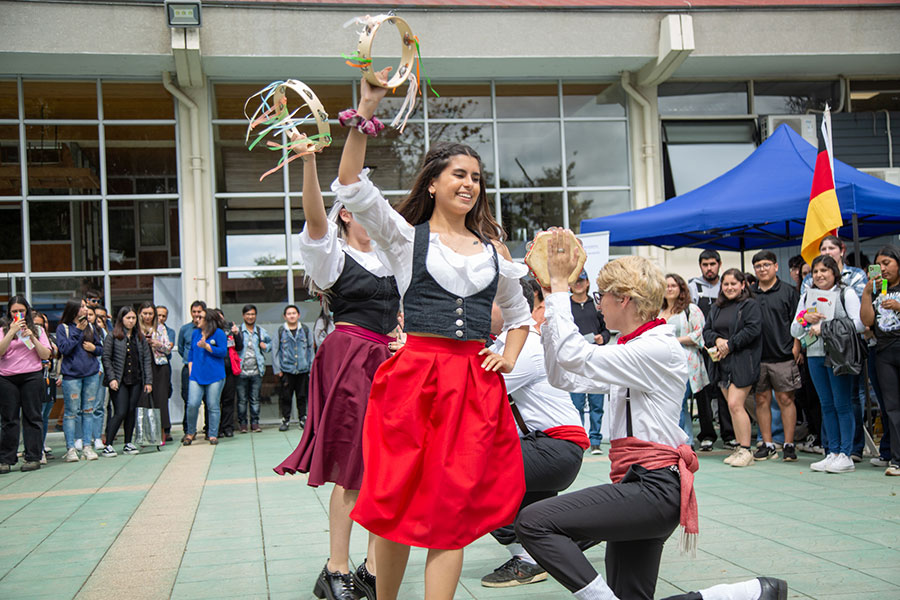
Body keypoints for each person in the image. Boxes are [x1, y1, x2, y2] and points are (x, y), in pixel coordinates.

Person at [336, 68, 532, 600]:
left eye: (475, 177)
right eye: (458, 175)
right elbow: (352, 184)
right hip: (413, 380)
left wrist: (509, 356)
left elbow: (519, 315)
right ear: (432, 183)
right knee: (394, 506)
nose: (469, 184)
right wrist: (366, 110)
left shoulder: (494, 253)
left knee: (453, 511)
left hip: (472, 385)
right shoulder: (404, 239)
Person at [515, 236, 788, 600]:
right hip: (642, 485)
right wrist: (553, 296)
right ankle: (746, 593)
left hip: (652, 487)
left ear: (624, 299)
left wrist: (559, 290)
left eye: (601, 296)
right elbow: (563, 375)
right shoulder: (632, 347)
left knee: (534, 522)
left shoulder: (655, 348)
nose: (599, 304)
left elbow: (574, 356)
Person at [273, 134, 401, 600]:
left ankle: (370, 567)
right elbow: (313, 218)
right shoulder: (332, 254)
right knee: (352, 468)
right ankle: (336, 569)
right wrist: (308, 164)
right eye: (358, 207)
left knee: (384, 470)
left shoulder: (389, 256)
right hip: (350, 358)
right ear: (346, 212)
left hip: (388, 363)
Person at [480, 279, 588, 589]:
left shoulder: (524, 346)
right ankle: (551, 547)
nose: (484, 306)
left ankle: (533, 555)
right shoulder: (503, 344)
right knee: (533, 520)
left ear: (516, 306)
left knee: (468, 477)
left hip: (554, 448)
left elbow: (477, 397)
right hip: (543, 447)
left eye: (492, 300)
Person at [791, 255, 864, 474]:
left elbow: (858, 324)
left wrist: (827, 327)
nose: (820, 275)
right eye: (816, 271)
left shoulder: (846, 293)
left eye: (825, 270)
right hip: (814, 354)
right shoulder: (807, 296)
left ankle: (846, 453)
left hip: (839, 355)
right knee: (826, 404)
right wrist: (806, 320)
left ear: (834, 272)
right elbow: (795, 330)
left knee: (842, 404)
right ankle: (831, 452)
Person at [702, 269, 762, 468]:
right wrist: (718, 340)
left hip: (743, 361)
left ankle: (746, 449)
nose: (729, 288)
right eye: (725, 284)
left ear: (743, 284)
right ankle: (739, 447)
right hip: (722, 364)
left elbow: (753, 329)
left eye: (733, 284)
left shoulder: (750, 305)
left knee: (736, 404)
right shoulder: (717, 308)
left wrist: (730, 344)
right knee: (732, 407)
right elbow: (707, 331)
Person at [750, 251, 801, 462]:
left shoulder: (789, 292)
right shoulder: (750, 294)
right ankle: (768, 444)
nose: (762, 269)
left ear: (776, 266)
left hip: (783, 356)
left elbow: (799, 321)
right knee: (761, 400)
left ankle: (788, 444)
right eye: (758, 266)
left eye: (766, 265)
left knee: (785, 399)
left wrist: (796, 347)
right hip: (758, 357)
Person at [688, 249, 736, 450]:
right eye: (705, 265)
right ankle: (707, 434)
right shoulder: (693, 286)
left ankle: (729, 434)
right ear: (700, 266)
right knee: (704, 393)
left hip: (725, 347)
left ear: (719, 264)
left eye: (712, 264)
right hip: (702, 349)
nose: (709, 268)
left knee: (725, 391)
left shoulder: (727, 285)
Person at [0, 296, 52, 473]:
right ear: (9, 313)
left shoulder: (37, 329)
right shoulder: (2, 329)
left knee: (32, 416)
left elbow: (45, 355)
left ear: (27, 311)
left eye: (21, 311)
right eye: (14, 311)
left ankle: (33, 456)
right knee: (9, 419)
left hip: (31, 375)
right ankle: (6, 459)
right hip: (7, 377)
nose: (17, 314)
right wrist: (11, 332)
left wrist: (32, 337)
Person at [861, 245, 900, 476]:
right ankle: (896, 458)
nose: (883, 268)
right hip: (884, 352)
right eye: (879, 264)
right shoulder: (877, 289)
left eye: (887, 263)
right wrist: (867, 293)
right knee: (892, 407)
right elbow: (867, 320)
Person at [659, 273, 708, 445]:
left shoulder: (691, 309)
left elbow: (700, 335)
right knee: (675, 405)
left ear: (681, 288)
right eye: (666, 285)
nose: (669, 288)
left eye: (673, 285)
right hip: (663, 365)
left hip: (685, 363)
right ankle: (686, 441)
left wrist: (674, 341)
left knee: (677, 403)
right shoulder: (658, 311)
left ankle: (678, 443)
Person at [56, 298, 104, 462]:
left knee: (88, 410)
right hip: (72, 376)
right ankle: (70, 448)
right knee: (71, 412)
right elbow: (64, 349)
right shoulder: (63, 328)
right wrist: (77, 330)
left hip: (91, 374)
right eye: (82, 307)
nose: (85, 309)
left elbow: (100, 349)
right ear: (74, 310)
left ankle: (87, 446)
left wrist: (94, 348)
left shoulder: (91, 326)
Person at [101, 306, 153, 457]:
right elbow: (106, 358)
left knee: (131, 411)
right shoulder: (113, 336)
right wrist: (111, 378)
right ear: (121, 319)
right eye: (128, 318)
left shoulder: (139, 337)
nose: (131, 321)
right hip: (119, 380)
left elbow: (146, 359)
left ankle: (128, 443)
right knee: (120, 411)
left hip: (136, 380)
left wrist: (148, 381)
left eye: (133, 318)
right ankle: (108, 444)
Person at [569, 270, 610, 455]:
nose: (578, 284)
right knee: (576, 403)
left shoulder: (596, 305)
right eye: (575, 281)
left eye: (582, 280)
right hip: (576, 360)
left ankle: (595, 441)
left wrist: (603, 337)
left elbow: (607, 329)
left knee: (596, 402)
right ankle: (581, 439)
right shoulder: (567, 306)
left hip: (595, 358)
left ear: (587, 283)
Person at [185, 308, 227, 445]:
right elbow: (191, 351)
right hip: (196, 375)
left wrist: (207, 346)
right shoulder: (195, 333)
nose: (197, 319)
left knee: (213, 405)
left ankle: (213, 434)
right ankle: (190, 432)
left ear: (208, 320)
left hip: (215, 375)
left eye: (201, 317)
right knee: (192, 404)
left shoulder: (219, 333)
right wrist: (191, 367)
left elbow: (222, 352)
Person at [273, 304, 314, 431]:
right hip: (286, 370)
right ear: (285, 316)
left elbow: (311, 349)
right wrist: (278, 369)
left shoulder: (305, 330)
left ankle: (303, 418)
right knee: (286, 397)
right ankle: (286, 420)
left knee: (302, 396)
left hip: (303, 369)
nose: (292, 316)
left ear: (298, 315)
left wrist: (311, 367)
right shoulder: (280, 331)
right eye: (289, 314)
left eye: (294, 313)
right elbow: (275, 350)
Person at [140, 301, 174, 443]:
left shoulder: (160, 328)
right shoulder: (136, 328)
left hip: (160, 366)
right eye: (145, 313)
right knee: (144, 400)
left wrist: (157, 343)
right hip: (141, 367)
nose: (148, 317)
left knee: (161, 400)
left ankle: (162, 432)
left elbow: (168, 349)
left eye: (150, 314)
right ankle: (145, 435)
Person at [236, 304, 271, 433]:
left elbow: (270, 345)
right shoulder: (238, 331)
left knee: (255, 399)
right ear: (243, 316)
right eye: (248, 314)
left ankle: (255, 423)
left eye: (252, 314)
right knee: (241, 400)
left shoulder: (260, 331)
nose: (250, 317)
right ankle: (243, 424)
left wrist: (265, 346)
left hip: (257, 370)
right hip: (241, 371)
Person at [33, 312, 60, 463]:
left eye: (42, 324)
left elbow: (56, 354)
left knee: (45, 416)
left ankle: (41, 445)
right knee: (37, 415)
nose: (40, 327)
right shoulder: (26, 339)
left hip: (50, 379)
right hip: (35, 380)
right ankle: (35, 449)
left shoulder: (50, 338)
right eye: (36, 324)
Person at [178, 300, 206, 437]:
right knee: (189, 401)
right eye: (194, 312)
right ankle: (189, 430)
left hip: (205, 369)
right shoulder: (185, 329)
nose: (196, 315)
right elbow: (182, 348)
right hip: (189, 369)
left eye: (199, 312)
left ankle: (208, 429)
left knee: (207, 400)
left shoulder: (208, 328)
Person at [156, 305, 176, 441]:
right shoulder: (147, 330)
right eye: (158, 315)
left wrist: (156, 344)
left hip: (164, 366)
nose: (161, 318)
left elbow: (169, 348)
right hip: (150, 366)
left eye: (164, 316)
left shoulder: (169, 331)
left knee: (164, 398)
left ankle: (166, 429)